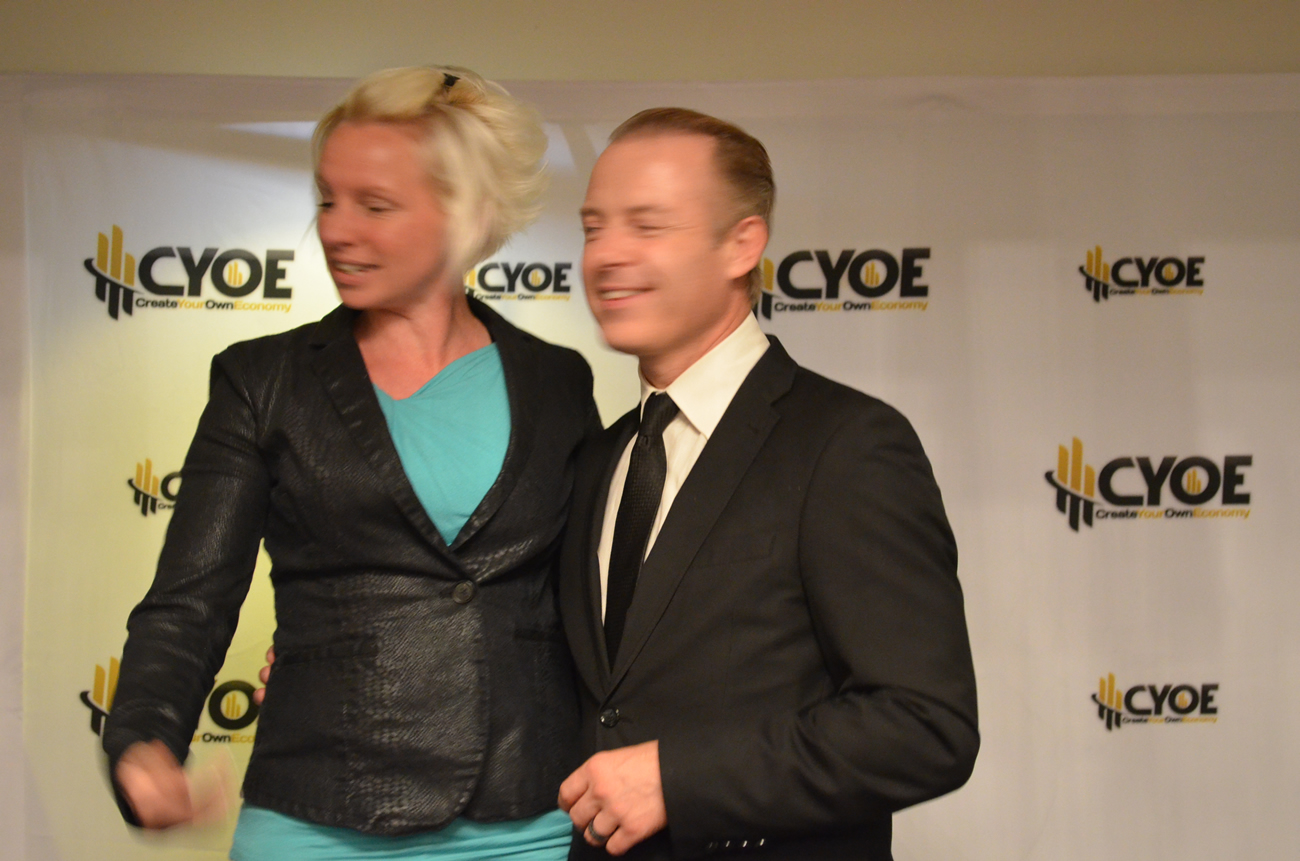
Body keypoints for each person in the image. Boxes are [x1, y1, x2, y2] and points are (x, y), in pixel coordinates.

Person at [102, 66, 599, 861]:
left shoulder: (559, 382)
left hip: (525, 817)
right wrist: (144, 742)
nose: (335, 230)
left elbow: (598, 605)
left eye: (375, 204)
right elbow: (189, 601)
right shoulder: (262, 380)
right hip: (317, 815)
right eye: (328, 199)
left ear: (466, 214)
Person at [555, 108, 979, 859]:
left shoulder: (846, 444)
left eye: (648, 225)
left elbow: (925, 725)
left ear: (741, 244)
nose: (608, 255)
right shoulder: (598, 458)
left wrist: (678, 779)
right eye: (594, 228)